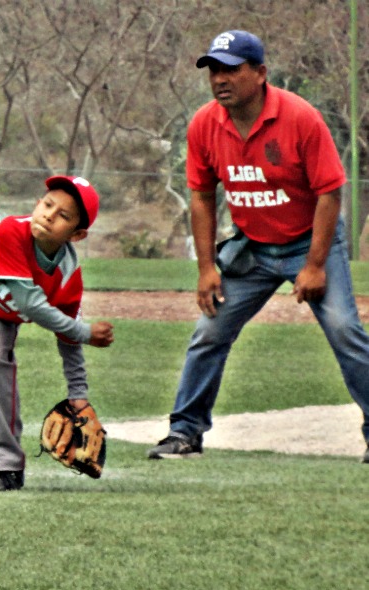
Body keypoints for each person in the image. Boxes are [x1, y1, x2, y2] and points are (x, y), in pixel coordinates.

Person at [147, 30, 369, 463]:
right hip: (252, 248)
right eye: (213, 70)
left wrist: (316, 265)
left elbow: (330, 192)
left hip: (309, 242)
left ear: (261, 72)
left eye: (231, 69)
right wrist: (206, 267)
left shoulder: (300, 117)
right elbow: (201, 196)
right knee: (209, 333)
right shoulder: (204, 124)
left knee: (345, 331)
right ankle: (184, 433)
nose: (219, 79)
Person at [0, 175, 115, 491]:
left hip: (8, 305)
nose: (49, 215)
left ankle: (6, 469)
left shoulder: (67, 275)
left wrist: (78, 395)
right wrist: (88, 332)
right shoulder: (12, 231)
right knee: (3, 330)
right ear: (37, 204)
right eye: (47, 204)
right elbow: (32, 306)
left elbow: (68, 338)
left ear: (77, 235)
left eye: (63, 215)